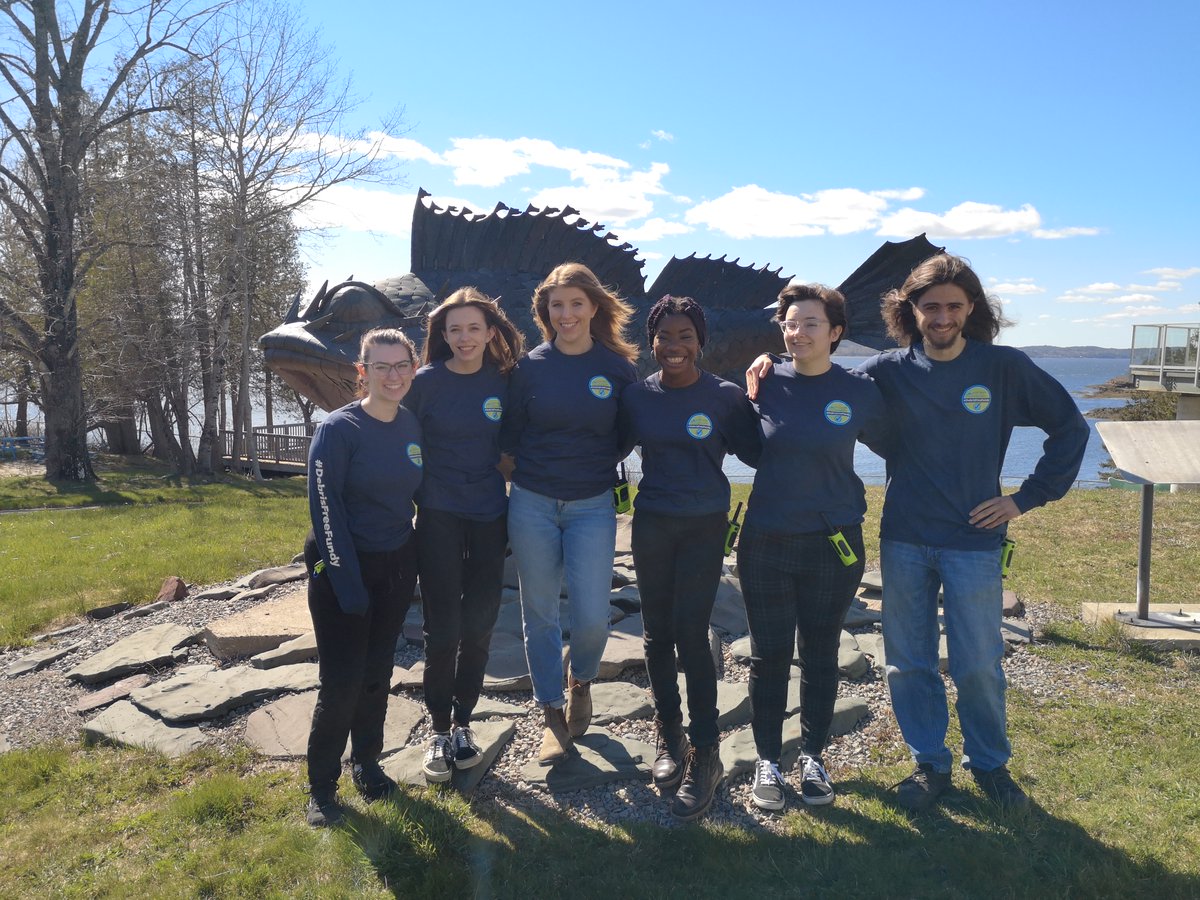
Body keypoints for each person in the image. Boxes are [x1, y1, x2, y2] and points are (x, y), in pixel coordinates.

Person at [749, 254, 1088, 812]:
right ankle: (929, 763)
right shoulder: (886, 370)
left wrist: (1024, 498)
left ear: (971, 308)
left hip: (974, 540)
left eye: (954, 306)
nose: (942, 317)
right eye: (931, 306)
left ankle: (990, 766)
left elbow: (1070, 428)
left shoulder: (1003, 367)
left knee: (978, 664)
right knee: (908, 663)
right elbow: (819, 373)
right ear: (911, 310)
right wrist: (771, 361)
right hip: (904, 536)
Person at [739, 284, 889, 812]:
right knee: (769, 655)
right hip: (766, 539)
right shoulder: (762, 381)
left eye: (810, 324)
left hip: (833, 541)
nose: (797, 332)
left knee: (821, 652)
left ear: (836, 333)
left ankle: (813, 757)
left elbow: (902, 444)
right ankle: (767, 761)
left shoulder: (859, 390)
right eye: (790, 323)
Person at [618, 295, 760, 821]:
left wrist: (772, 384)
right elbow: (603, 447)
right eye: (664, 336)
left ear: (701, 342)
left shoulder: (724, 397)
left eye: (685, 336)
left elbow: (762, 451)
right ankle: (669, 735)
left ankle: (706, 752)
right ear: (651, 342)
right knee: (656, 635)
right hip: (652, 523)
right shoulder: (638, 396)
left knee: (693, 636)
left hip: (703, 526)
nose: (673, 346)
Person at [501, 262, 639, 764]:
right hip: (532, 503)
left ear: (594, 306)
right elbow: (510, 435)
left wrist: (589, 467)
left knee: (593, 617)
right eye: (556, 305)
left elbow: (626, 435)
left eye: (576, 303)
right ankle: (552, 712)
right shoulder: (529, 368)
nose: (567, 314)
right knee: (539, 614)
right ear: (545, 311)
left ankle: (581, 680)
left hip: (592, 505)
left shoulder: (618, 369)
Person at [303, 326, 424, 827]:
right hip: (341, 568)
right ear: (363, 371)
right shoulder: (338, 429)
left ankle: (367, 765)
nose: (393, 376)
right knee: (342, 683)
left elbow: (415, 495)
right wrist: (347, 583)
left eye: (401, 366)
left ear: (413, 369)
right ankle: (321, 788)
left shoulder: (410, 424)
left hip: (395, 565)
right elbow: (324, 508)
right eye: (382, 367)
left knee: (377, 676)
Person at [404, 287, 524, 783]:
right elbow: (400, 439)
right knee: (442, 629)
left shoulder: (505, 382)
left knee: (479, 625)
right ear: (443, 334)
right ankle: (437, 730)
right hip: (438, 515)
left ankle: (462, 724)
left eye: (474, 327)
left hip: (490, 516)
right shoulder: (425, 382)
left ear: (491, 332)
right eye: (455, 329)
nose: (465, 337)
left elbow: (521, 443)